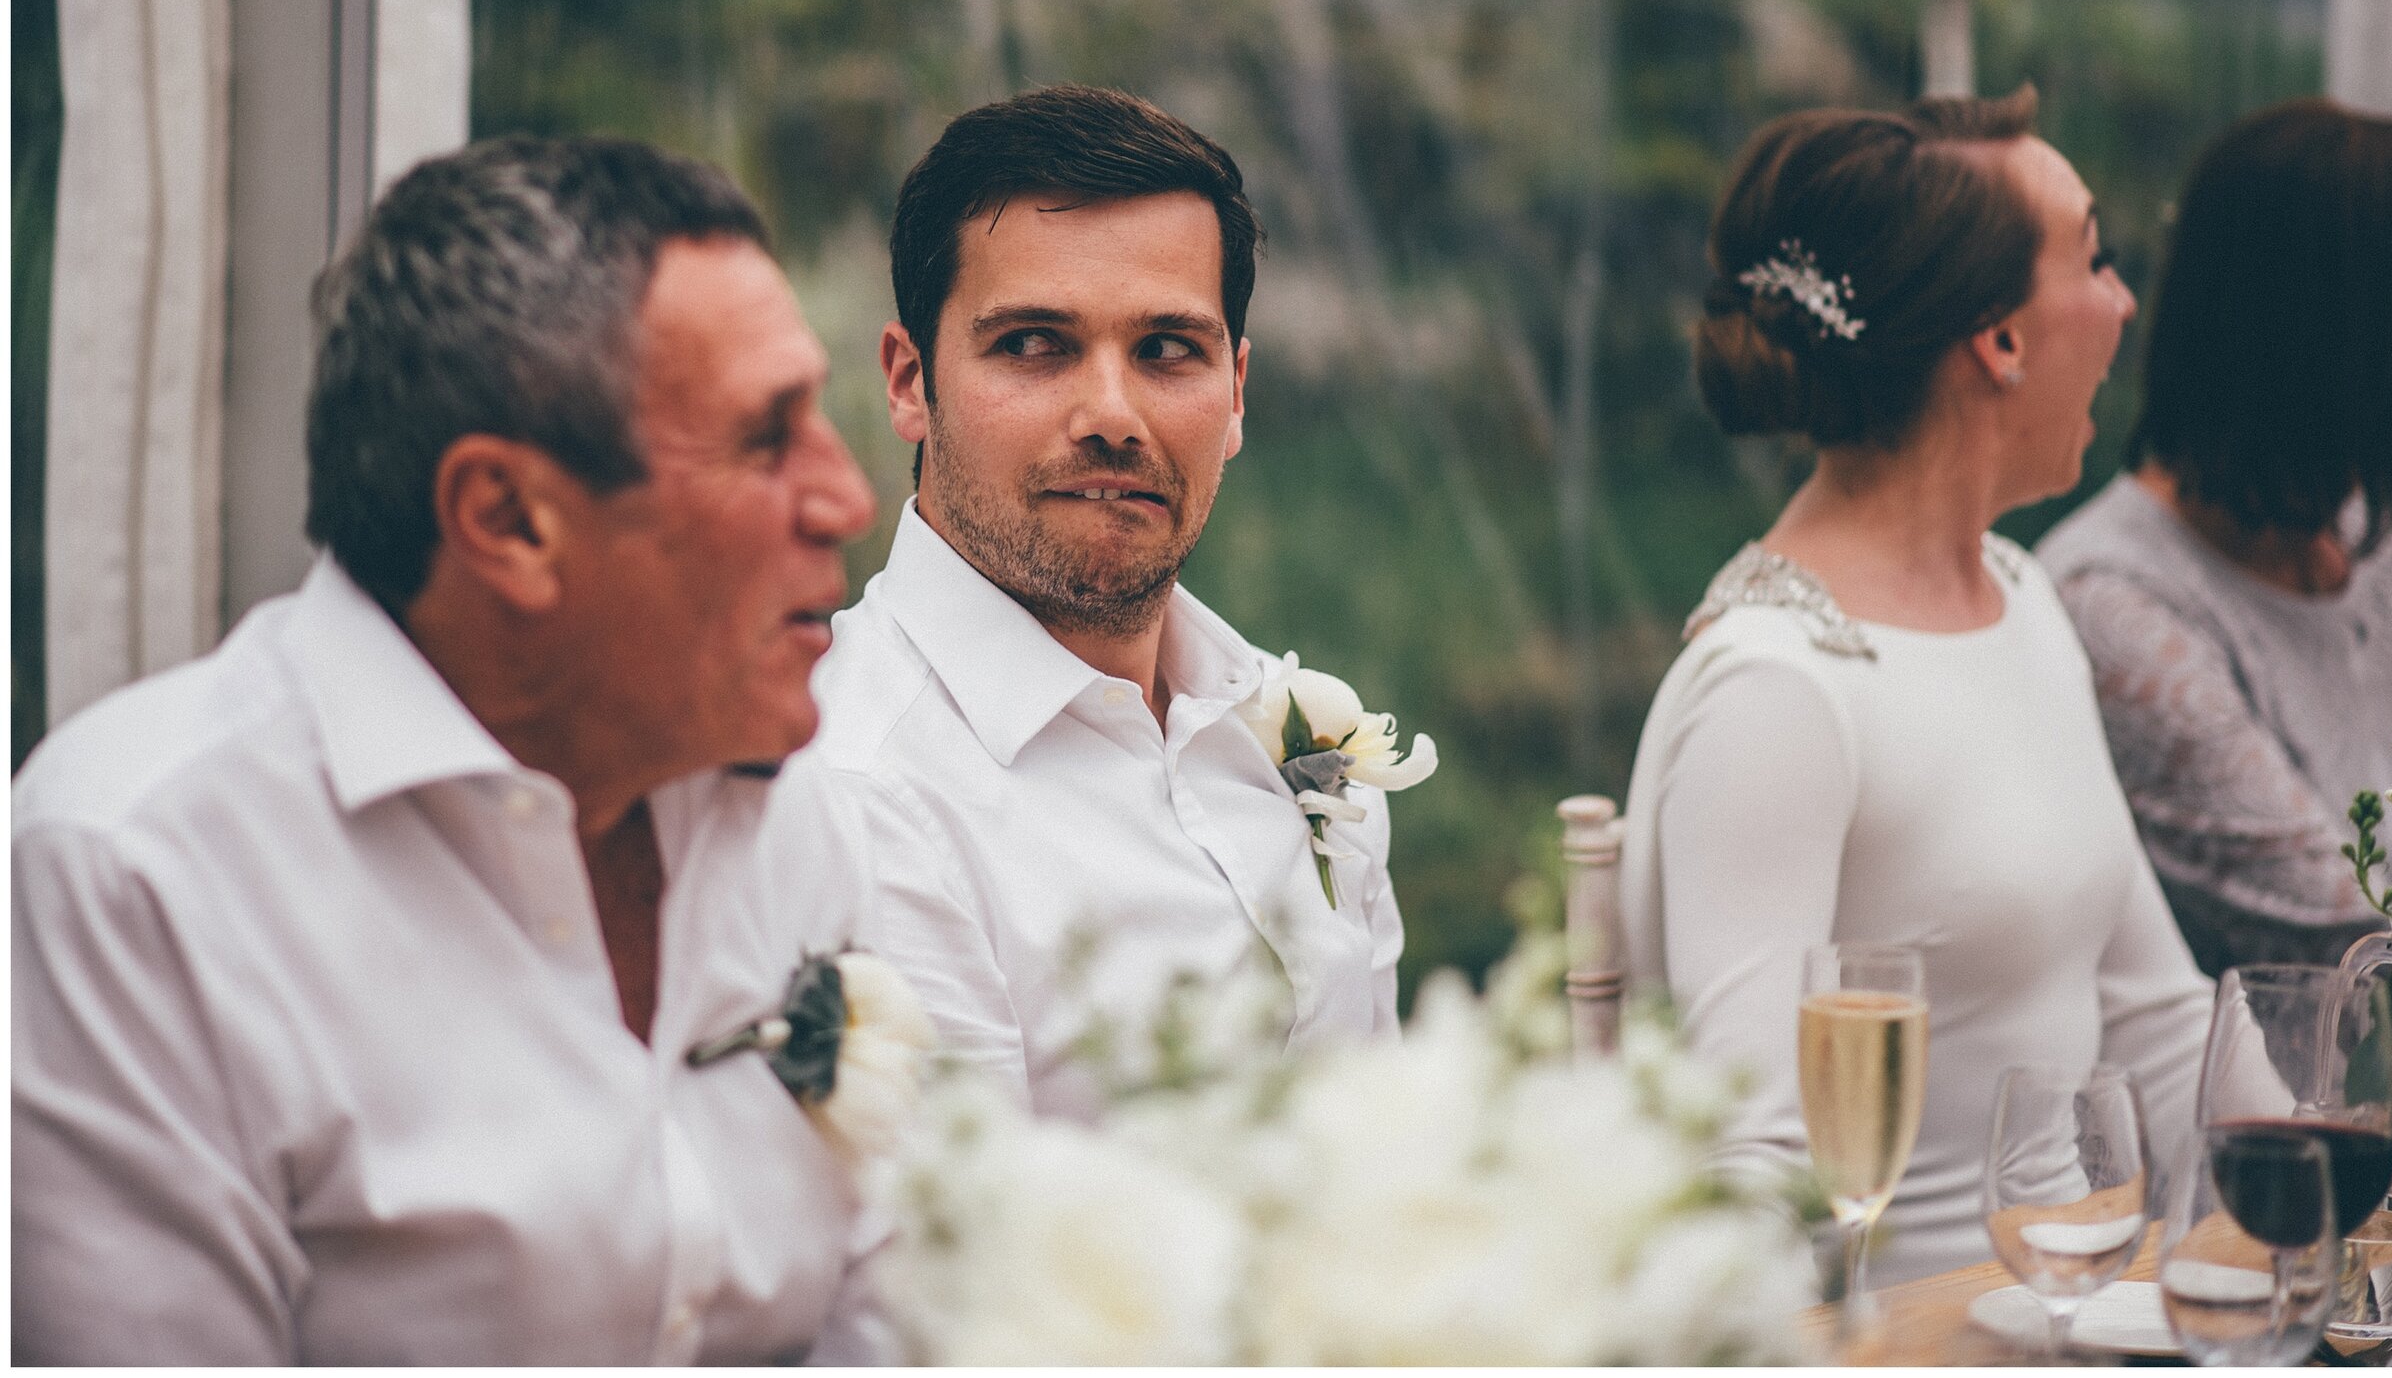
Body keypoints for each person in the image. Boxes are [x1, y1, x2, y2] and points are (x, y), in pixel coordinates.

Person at [13, 138, 891, 1362]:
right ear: (508, 520)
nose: (847, 497)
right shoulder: (135, 877)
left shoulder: (794, 811)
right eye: (764, 438)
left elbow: (898, 1312)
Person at [1618, 87, 2214, 1288]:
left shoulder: (2021, 592)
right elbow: (1753, 1167)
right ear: (1997, 339)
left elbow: (2160, 1021)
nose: (2122, 302)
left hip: (2099, 1316)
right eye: (2093, 259)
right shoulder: (1776, 692)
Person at [804, 84, 1403, 1117]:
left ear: (1236, 392)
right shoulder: (859, 795)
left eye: (1168, 348)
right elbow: (960, 1254)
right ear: (908, 380)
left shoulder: (1289, 721)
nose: (1112, 415)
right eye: (1034, 342)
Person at [2038, 100, 2392, 976]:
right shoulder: (2118, 611)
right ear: (2352, 331)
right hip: (2248, 1113)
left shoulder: (2369, 556)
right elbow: (2364, 943)